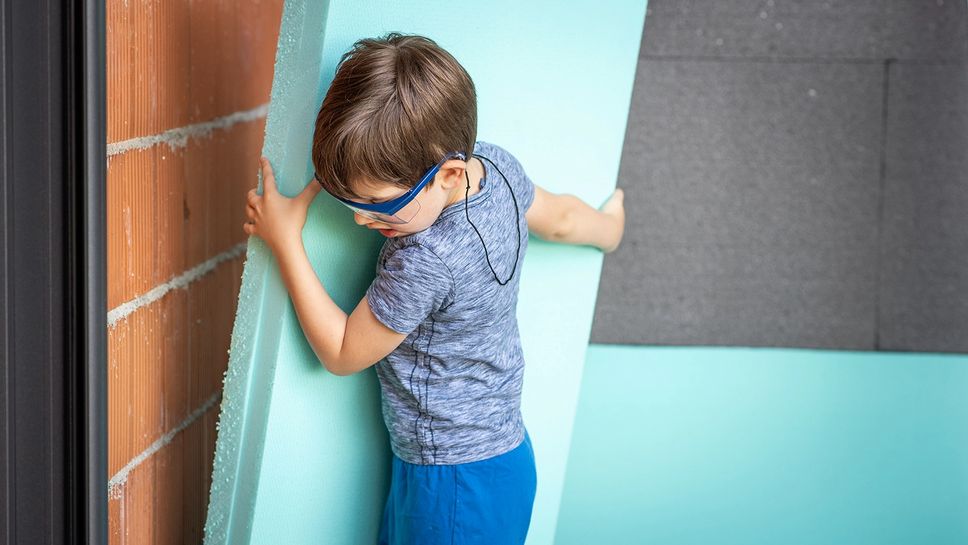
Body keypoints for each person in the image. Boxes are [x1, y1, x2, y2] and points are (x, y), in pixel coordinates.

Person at [242, 32, 625, 545]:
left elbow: (341, 351)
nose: (360, 219)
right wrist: (609, 229)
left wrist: (286, 241)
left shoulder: (426, 257)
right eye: (347, 201)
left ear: (447, 174)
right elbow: (560, 220)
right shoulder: (497, 167)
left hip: (449, 486)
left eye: (377, 204)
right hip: (499, 456)